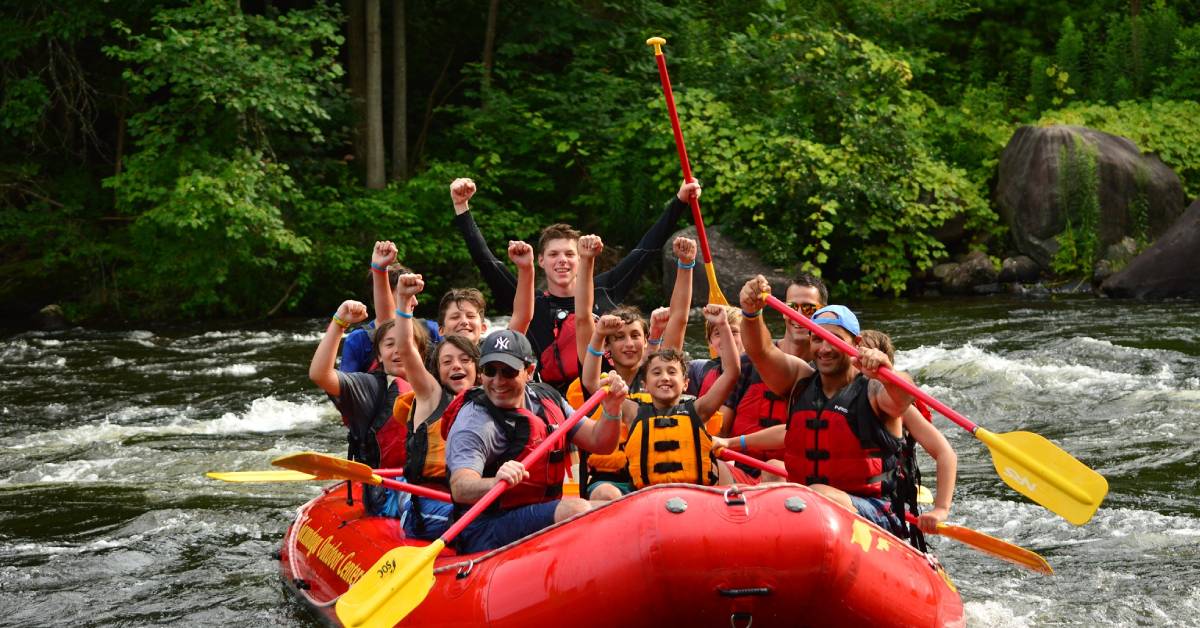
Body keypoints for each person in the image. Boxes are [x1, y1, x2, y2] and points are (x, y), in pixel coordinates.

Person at [713, 275, 917, 537]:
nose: (824, 348)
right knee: (785, 493)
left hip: (874, 511)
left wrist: (887, 371)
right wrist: (751, 314)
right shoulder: (800, 380)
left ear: (855, 344)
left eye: (834, 338)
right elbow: (762, 352)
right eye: (818, 339)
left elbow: (903, 396)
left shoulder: (874, 388)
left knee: (813, 496)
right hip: (806, 507)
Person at [450, 177, 697, 391]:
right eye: (554, 255)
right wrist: (462, 208)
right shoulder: (529, 303)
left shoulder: (605, 289)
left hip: (612, 390)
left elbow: (645, 249)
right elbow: (487, 263)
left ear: (580, 260)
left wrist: (679, 202)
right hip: (559, 403)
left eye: (569, 255)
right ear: (541, 261)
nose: (562, 262)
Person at [442, 329, 629, 554]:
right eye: (490, 371)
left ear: (529, 371)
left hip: (536, 509)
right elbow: (461, 487)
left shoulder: (546, 399)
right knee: (575, 509)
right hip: (484, 526)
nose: (498, 381)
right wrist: (496, 482)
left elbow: (600, 442)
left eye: (509, 371)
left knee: (610, 497)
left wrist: (612, 410)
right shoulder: (474, 422)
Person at [570, 234, 695, 498]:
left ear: (646, 339)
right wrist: (587, 259)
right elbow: (582, 318)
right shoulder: (598, 377)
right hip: (611, 481)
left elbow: (680, 320)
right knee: (606, 495)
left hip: (658, 476)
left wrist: (686, 265)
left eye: (635, 336)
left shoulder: (657, 374)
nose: (629, 344)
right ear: (607, 346)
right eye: (619, 337)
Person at [584, 305, 740, 495]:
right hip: (647, 498)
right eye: (656, 373)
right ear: (646, 385)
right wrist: (599, 335)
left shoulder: (700, 410)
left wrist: (723, 324)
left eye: (672, 372)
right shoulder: (633, 411)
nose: (665, 378)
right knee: (606, 493)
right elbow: (592, 383)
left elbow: (732, 372)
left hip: (693, 498)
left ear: (685, 384)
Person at [308, 298, 430, 514]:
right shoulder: (370, 387)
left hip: (431, 484)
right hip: (388, 491)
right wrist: (338, 323)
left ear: (420, 352)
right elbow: (320, 374)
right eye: (390, 344)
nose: (399, 350)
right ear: (379, 356)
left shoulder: (437, 385)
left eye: (406, 343)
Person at [386, 273, 483, 538]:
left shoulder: (488, 395)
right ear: (437, 370)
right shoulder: (431, 395)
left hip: (472, 494)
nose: (456, 366)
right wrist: (404, 301)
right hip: (428, 499)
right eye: (447, 361)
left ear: (477, 367)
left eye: (464, 360)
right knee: (482, 526)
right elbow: (406, 349)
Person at [859, 329, 956, 534]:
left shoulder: (899, 407)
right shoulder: (830, 397)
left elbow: (945, 452)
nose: (863, 363)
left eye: (869, 357)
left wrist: (940, 509)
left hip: (884, 497)